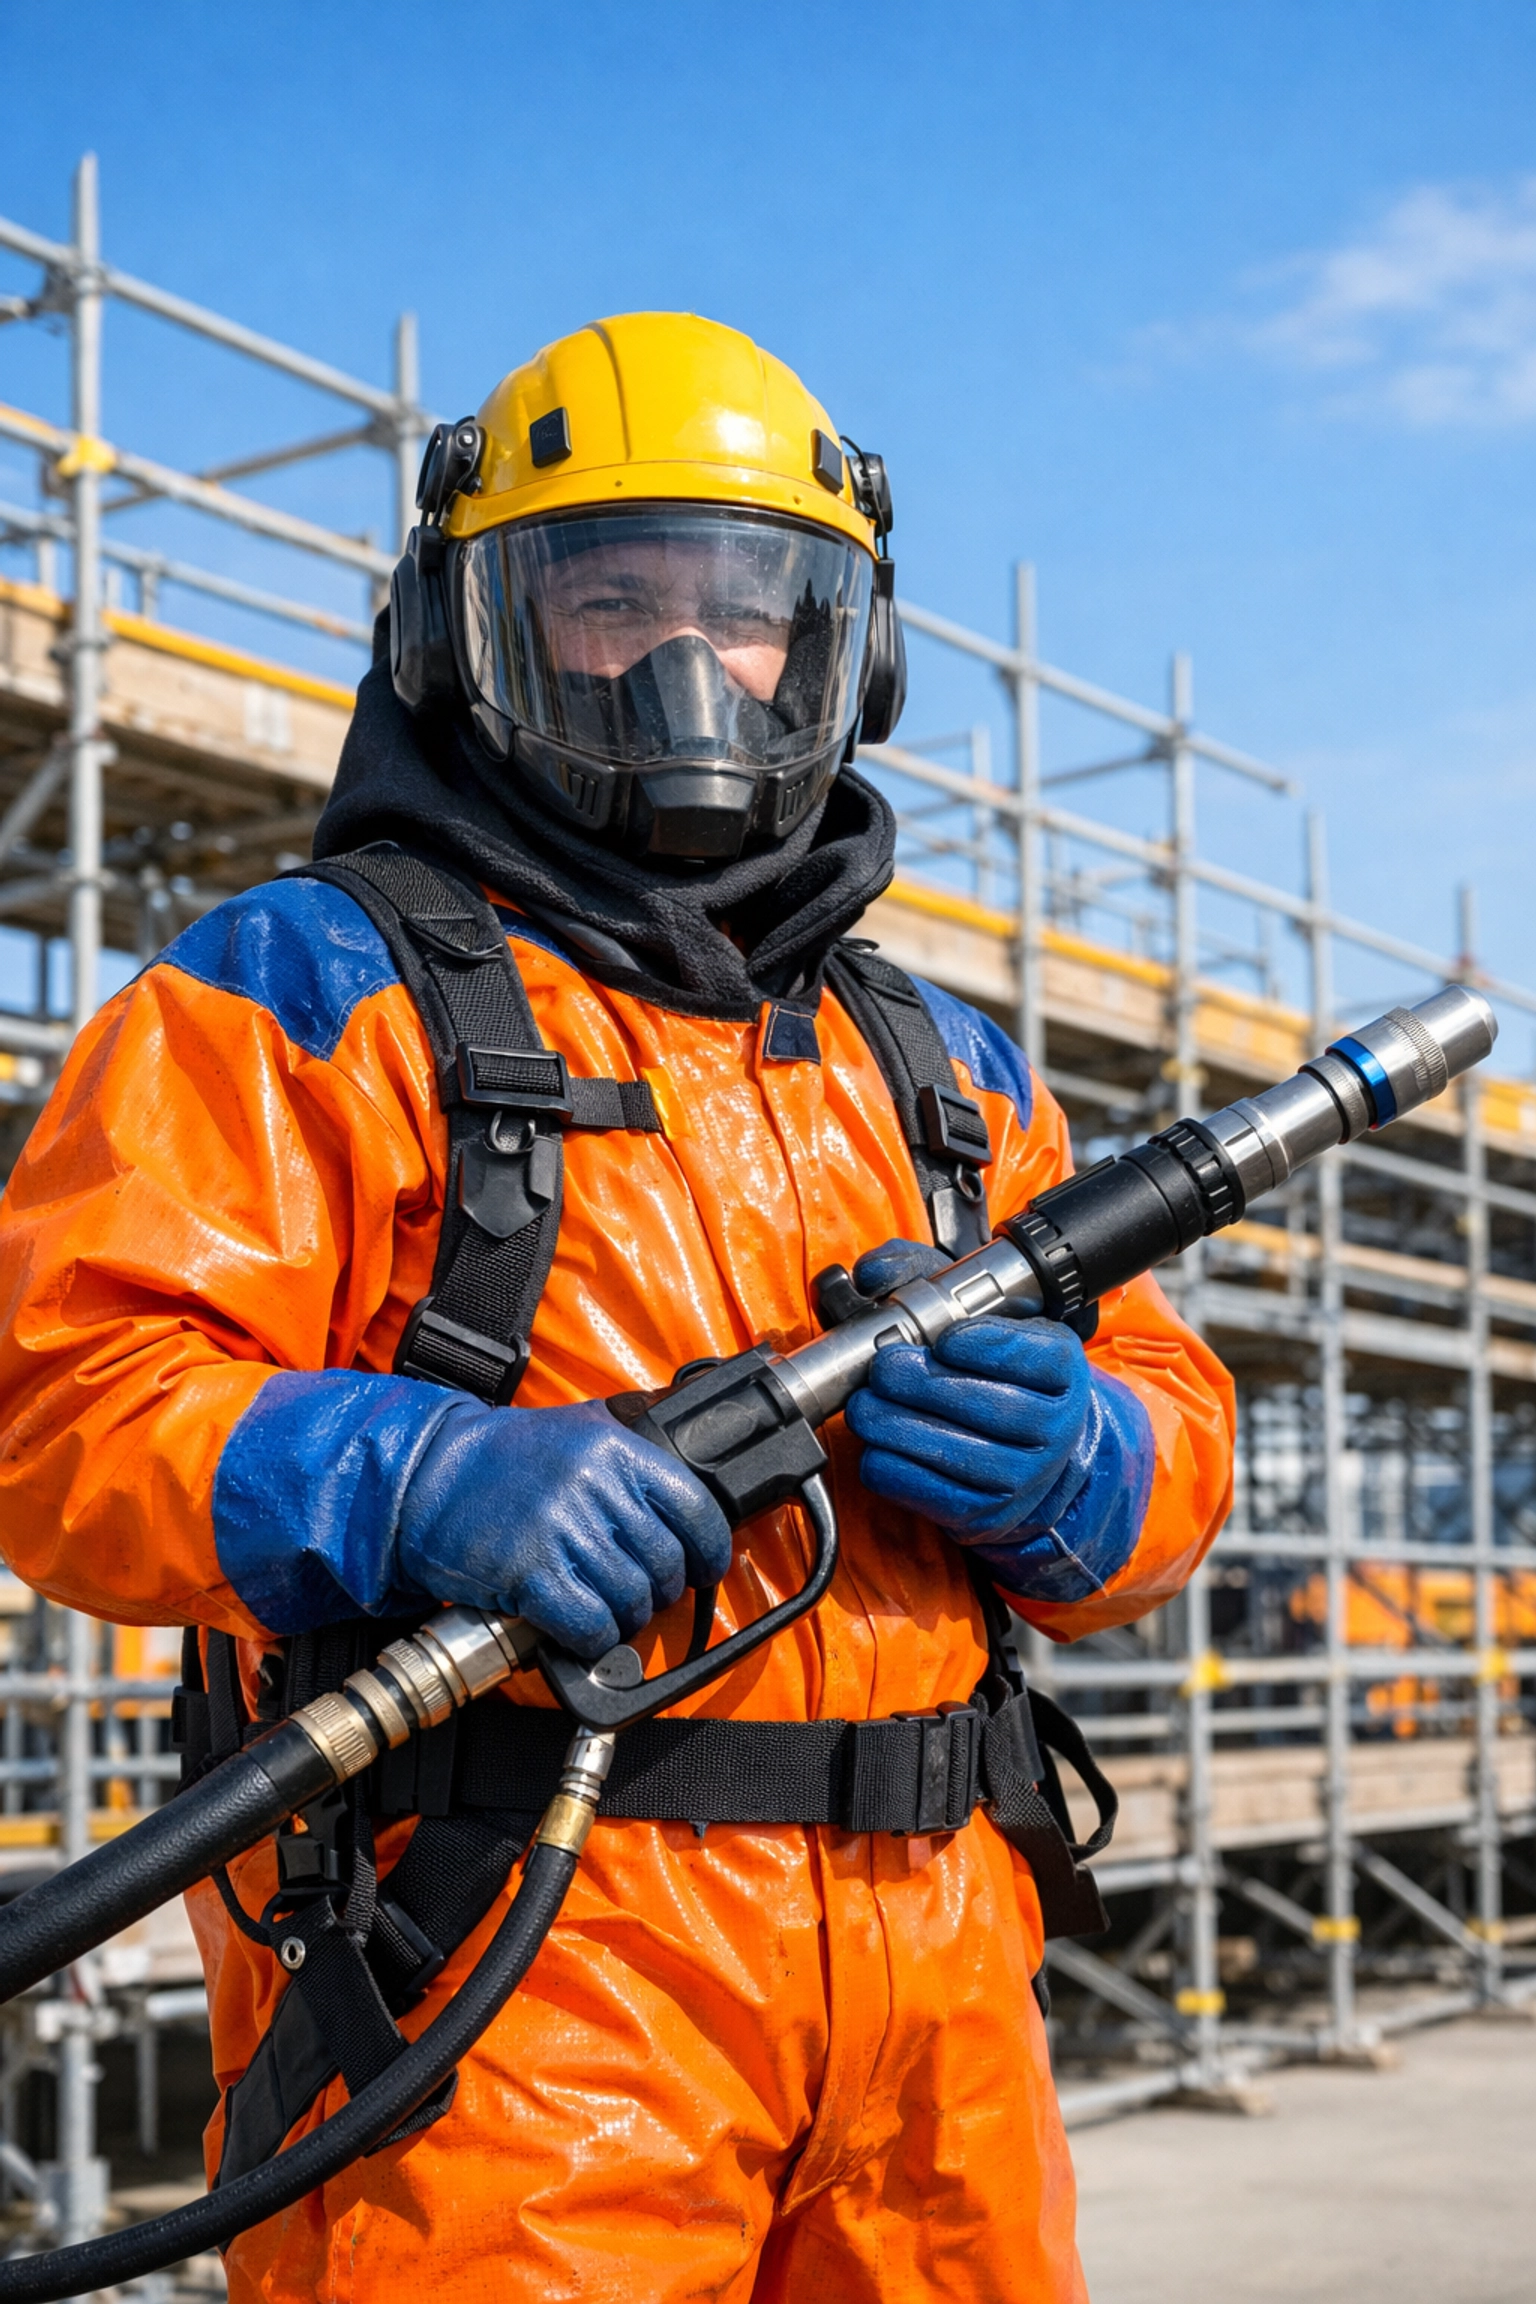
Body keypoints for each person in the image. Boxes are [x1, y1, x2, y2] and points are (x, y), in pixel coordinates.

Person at [0, 313, 1233, 2304]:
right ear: (458, 640)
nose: (687, 670)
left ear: (851, 656)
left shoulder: (944, 1072)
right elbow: (60, 1405)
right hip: (506, 2013)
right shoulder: (305, 995)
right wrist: (407, 1477)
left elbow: (1171, 1403)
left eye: (745, 611)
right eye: (607, 604)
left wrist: (1098, 1460)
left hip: (942, 2030)